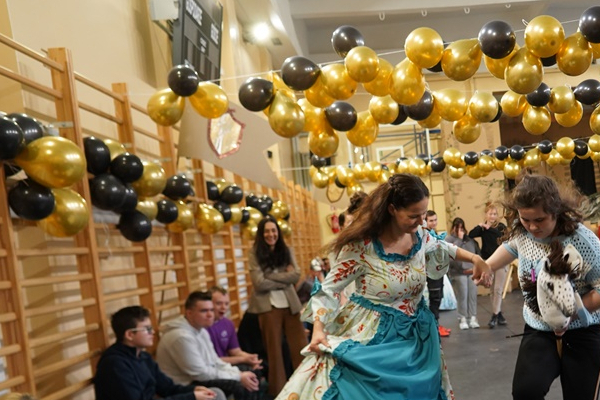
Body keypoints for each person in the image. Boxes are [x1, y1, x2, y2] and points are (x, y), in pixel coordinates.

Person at [275, 173, 491, 400]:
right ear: (392, 209)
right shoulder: (362, 247)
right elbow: (329, 289)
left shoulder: (420, 237)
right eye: (413, 216)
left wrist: (475, 258)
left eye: (424, 214)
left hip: (418, 336)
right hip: (375, 338)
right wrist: (318, 329)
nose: (421, 221)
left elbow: (444, 247)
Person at [479, 171, 600, 400]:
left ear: (556, 211)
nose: (532, 227)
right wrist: (487, 266)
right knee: (526, 392)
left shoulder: (584, 242)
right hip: (539, 329)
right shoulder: (523, 232)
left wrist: (568, 313)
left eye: (540, 220)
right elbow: (512, 246)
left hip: (583, 332)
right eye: (526, 219)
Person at [94, 306, 225, 400]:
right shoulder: (114, 364)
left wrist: (194, 390)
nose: (152, 332)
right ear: (129, 334)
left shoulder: (144, 357)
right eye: (147, 329)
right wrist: (191, 397)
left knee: (214, 393)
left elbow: (168, 388)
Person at [156, 291, 260, 400]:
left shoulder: (201, 330)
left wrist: (239, 373)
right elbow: (201, 374)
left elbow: (215, 361)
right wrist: (238, 377)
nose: (210, 315)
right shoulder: (181, 337)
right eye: (204, 311)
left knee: (249, 372)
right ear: (189, 313)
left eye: (211, 310)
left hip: (198, 377)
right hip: (183, 385)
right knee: (239, 385)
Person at [247, 217, 308, 398]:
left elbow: (296, 275)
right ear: (261, 233)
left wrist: (271, 276)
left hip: (290, 305)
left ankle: (307, 385)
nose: (271, 234)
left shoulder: (286, 250)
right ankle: (279, 393)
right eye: (267, 231)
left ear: (278, 232)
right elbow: (258, 283)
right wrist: (284, 277)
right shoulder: (254, 253)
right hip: (268, 307)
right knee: (274, 354)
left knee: (301, 347)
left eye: (273, 230)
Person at [469, 202, 508, 328]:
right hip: (488, 262)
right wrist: (480, 226)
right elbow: (471, 235)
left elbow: (503, 237)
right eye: (490, 214)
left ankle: (494, 316)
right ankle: (498, 313)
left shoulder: (500, 227)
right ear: (486, 215)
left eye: (495, 214)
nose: (492, 216)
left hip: (501, 261)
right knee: (492, 290)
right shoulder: (483, 228)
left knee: (498, 289)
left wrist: (489, 228)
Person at [206, 286, 263, 372]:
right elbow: (211, 361)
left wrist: (251, 358)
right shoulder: (201, 327)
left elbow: (235, 351)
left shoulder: (228, 324)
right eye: (219, 303)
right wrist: (243, 359)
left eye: (226, 304)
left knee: (258, 369)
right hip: (212, 368)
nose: (223, 307)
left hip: (226, 365)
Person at [446, 218, 480, 330]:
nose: (460, 231)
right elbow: (450, 257)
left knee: (472, 294)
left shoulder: (469, 240)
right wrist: (459, 240)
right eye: (457, 228)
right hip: (458, 272)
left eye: (462, 228)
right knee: (462, 294)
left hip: (471, 271)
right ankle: (462, 318)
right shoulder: (449, 240)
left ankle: (473, 317)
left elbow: (475, 254)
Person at [425, 210, 452, 337]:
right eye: (431, 220)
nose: (434, 223)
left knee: (438, 297)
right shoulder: (425, 235)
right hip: (429, 273)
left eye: (435, 220)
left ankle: (436, 325)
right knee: (434, 299)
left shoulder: (434, 234)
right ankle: (434, 328)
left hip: (437, 271)